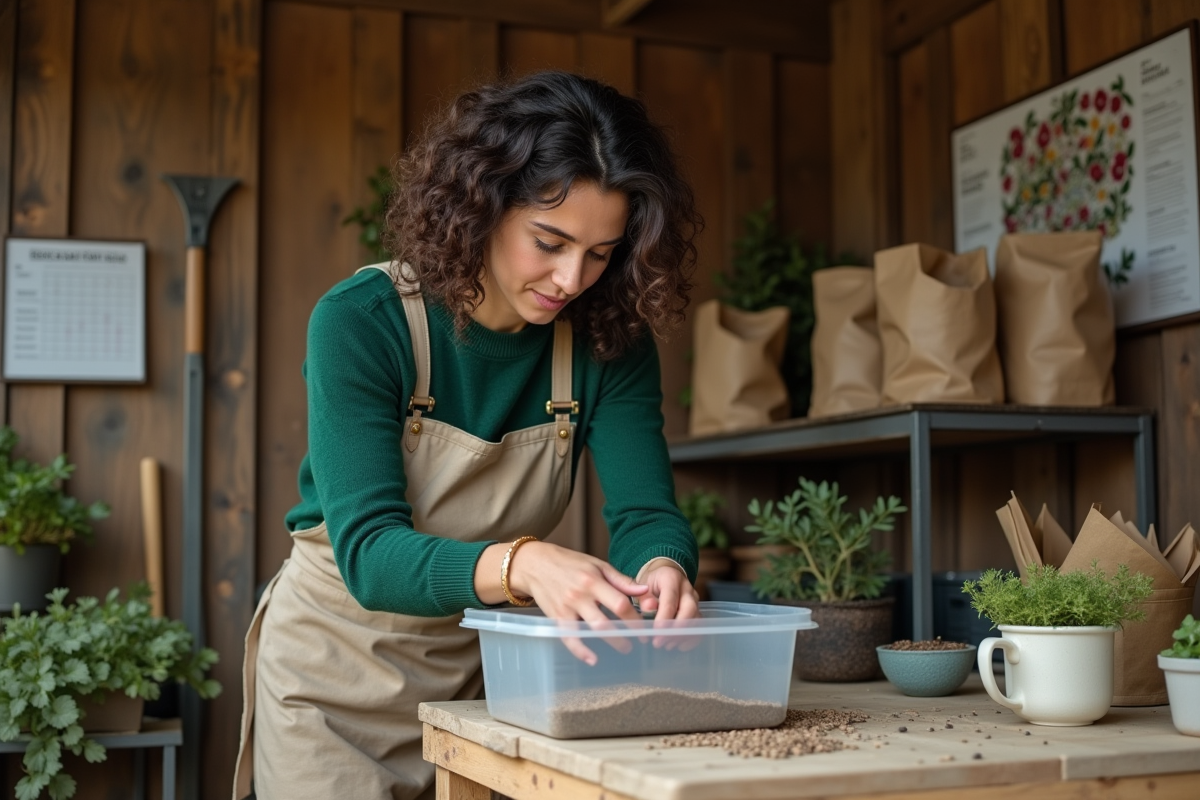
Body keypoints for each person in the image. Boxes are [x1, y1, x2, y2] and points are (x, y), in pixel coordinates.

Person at [233, 70, 704, 800]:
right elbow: (370, 554)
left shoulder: (609, 343)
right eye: (549, 241)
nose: (572, 277)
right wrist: (526, 565)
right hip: (331, 682)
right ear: (482, 205)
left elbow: (645, 515)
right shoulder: (365, 321)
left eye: (602, 252)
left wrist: (663, 569)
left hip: (485, 680)